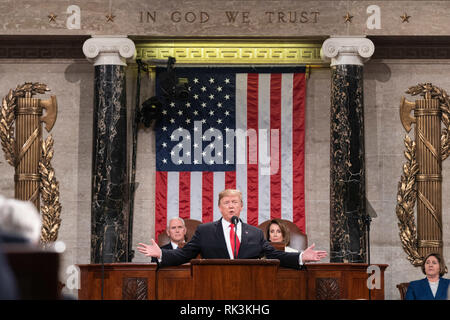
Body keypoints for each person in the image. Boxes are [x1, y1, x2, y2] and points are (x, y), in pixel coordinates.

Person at [138, 189, 327, 269]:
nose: (230, 206)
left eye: (234, 202)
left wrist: (301, 257)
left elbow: (274, 254)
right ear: (219, 207)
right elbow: (184, 255)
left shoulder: (254, 233)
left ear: (241, 206)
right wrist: (160, 254)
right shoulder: (204, 231)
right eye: (226, 202)